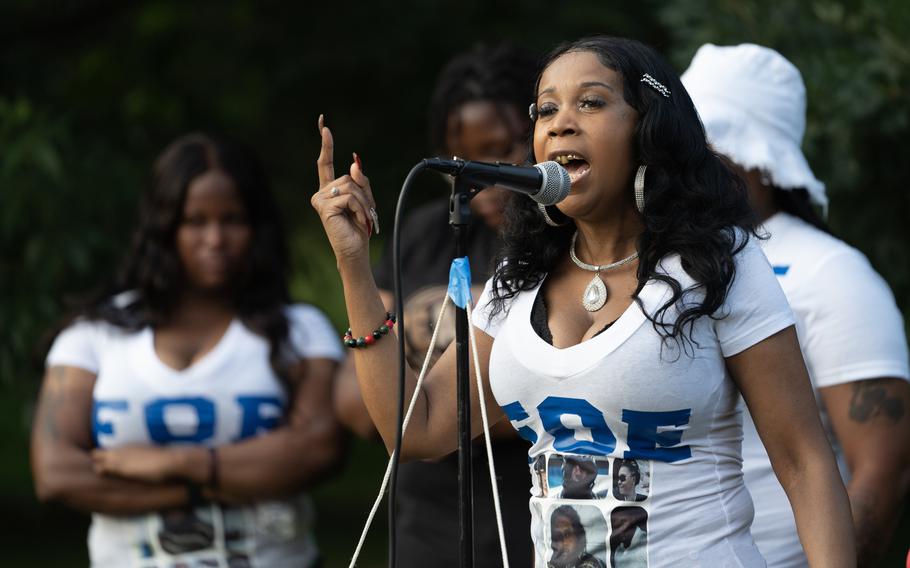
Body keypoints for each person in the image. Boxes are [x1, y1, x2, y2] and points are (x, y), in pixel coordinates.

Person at [311, 35, 857, 566]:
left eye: (591, 102)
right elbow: (417, 428)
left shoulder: (717, 263)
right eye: (545, 110)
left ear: (649, 130)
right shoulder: (519, 278)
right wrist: (353, 264)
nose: (560, 122)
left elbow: (804, 461)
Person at [31, 133, 344, 567]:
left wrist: (174, 462)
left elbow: (317, 450)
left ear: (256, 226)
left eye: (232, 218)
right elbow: (57, 473)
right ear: (163, 227)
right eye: (194, 221)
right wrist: (225, 479)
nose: (214, 239)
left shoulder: (301, 331)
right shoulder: (94, 335)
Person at [682, 43, 910, 567]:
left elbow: (883, 470)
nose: (686, 162)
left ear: (759, 159)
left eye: (709, 143)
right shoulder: (666, 264)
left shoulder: (832, 273)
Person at [332, 45, 537, 566]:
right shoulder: (422, 235)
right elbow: (358, 405)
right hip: (427, 529)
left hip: (529, 528)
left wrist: (426, 396)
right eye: (463, 162)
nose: (482, 178)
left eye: (503, 151)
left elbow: (578, 393)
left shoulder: (560, 243)